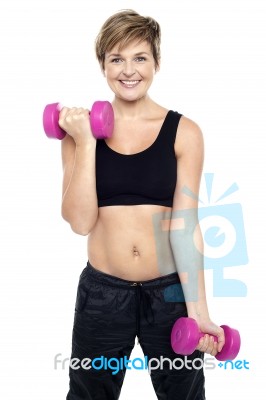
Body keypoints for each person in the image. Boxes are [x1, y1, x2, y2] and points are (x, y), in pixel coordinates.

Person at [59, 9, 225, 400]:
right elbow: (81, 221)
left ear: (157, 62)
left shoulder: (185, 132)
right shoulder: (78, 133)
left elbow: (185, 226)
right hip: (102, 293)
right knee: (88, 394)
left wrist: (198, 312)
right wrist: (85, 142)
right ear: (102, 65)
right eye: (116, 58)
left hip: (168, 294)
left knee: (184, 394)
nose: (128, 70)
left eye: (140, 58)